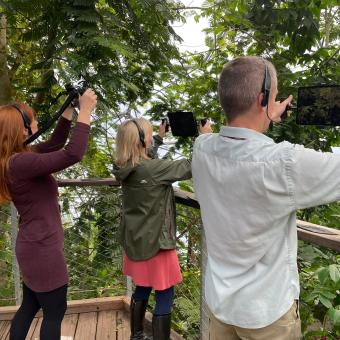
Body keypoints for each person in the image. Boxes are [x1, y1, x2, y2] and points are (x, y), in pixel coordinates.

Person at [191, 55, 338, 339]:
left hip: (219, 304)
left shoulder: (201, 149)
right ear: (262, 99)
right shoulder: (284, 164)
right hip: (265, 312)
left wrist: (266, 113)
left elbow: (215, 139)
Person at [0, 89, 97, 340]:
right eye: (32, 120)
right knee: (54, 312)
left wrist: (68, 109)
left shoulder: (17, 158)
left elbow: (55, 144)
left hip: (33, 246)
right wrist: (85, 111)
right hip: (41, 250)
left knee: (29, 307)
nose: (36, 123)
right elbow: (72, 154)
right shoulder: (21, 163)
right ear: (22, 130)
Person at [113, 117, 211, 340]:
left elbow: (146, 159)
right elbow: (190, 166)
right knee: (165, 293)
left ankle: (137, 336)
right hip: (157, 241)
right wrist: (204, 138)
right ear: (140, 141)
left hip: (136, 238)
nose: (150, 138)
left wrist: (158, 137)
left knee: (143, 287)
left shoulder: (123, 167)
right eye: (147, 135)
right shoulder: (153, 169)